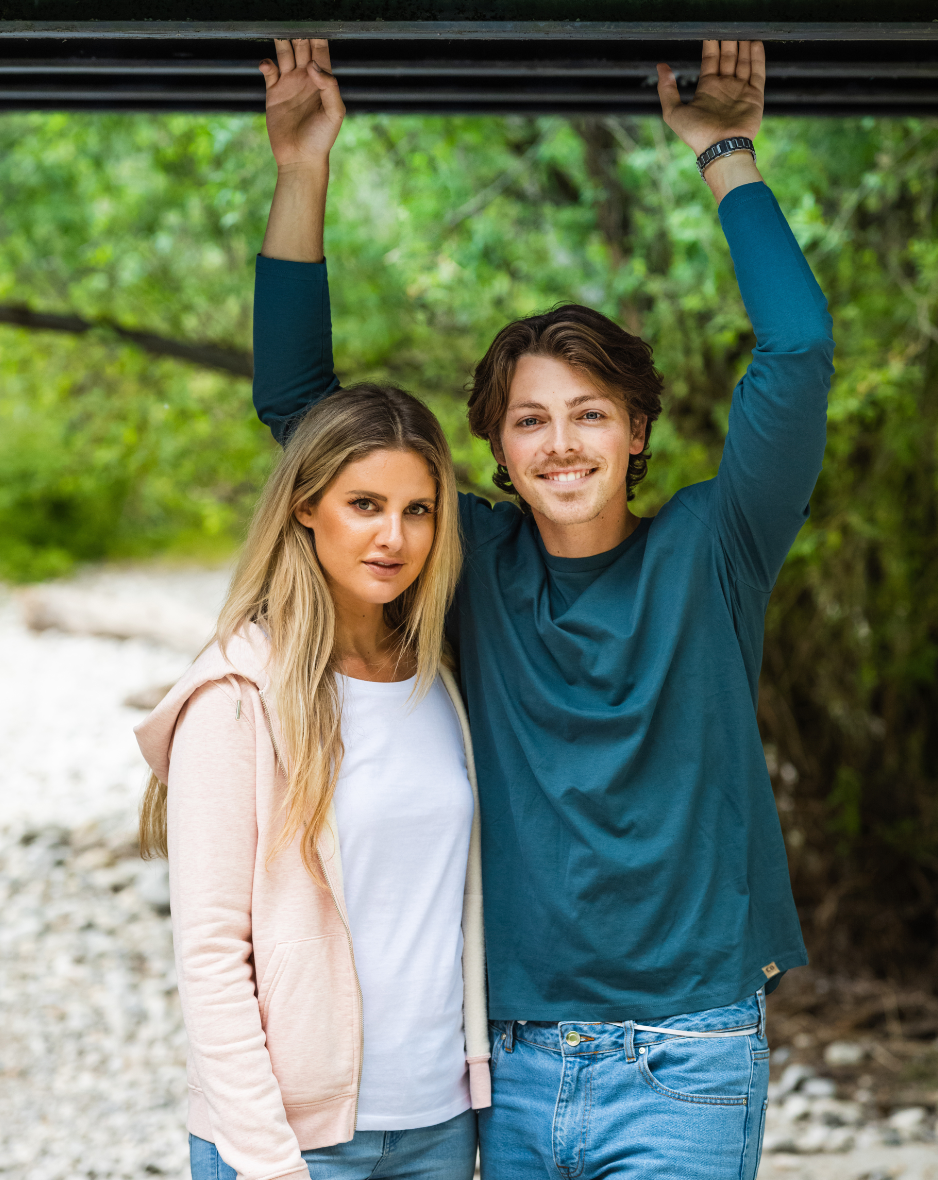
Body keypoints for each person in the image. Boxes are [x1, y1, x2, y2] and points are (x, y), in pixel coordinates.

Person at [252, 37, 835, 1179]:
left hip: (687, 1056)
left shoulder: (712, 548)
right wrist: (301, 168)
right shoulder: (467, 557)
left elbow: (799, 348)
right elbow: (299, 412)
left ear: (635, 433)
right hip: (507, 1063)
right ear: (497, 451)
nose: (560, 443)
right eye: (528, 420)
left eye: (588, 414)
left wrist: (721, 151)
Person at [134, 381, 491, 1180]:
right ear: (304, 505)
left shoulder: (442, 683)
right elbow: (212, 952)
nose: (393, 537)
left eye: (418, 510)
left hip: (439, 1128)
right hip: (295, 1142)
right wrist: (266, 1156)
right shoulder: (236, 695)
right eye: (364, 504)